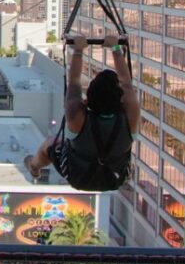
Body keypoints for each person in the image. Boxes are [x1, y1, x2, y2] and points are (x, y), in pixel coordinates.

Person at [24, 33, 139, 191]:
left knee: (50, 144)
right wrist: (116, 47)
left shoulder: (77, 117)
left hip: (78, 177)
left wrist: (78, 49)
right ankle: (125, 173)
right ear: (119, 99)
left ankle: (34, 166)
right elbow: (126, 81)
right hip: (113, 177)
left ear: (88, 99)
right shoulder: (130, 117)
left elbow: (74, 82)